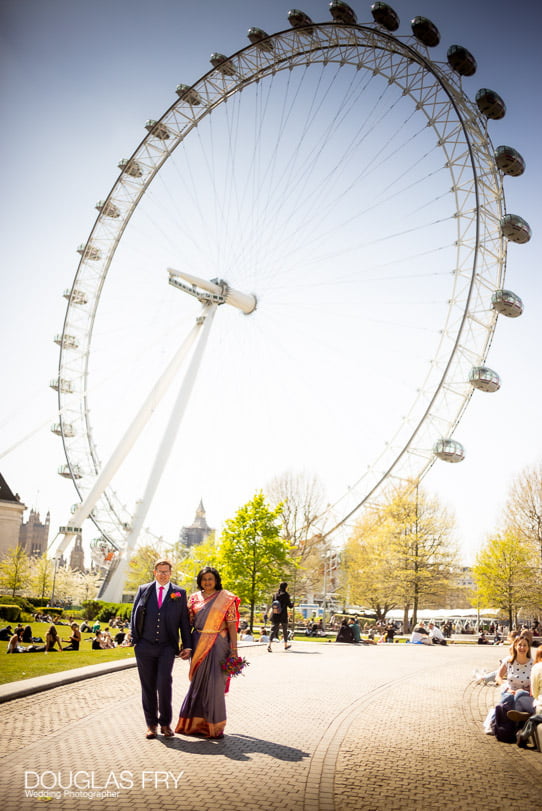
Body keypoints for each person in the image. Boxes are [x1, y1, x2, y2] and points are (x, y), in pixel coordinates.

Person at [130, 558, 192, 739]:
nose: (163, 574)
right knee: (147, 686)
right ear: (154, 572)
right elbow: (135, 614)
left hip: (167, 646)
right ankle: (151, 725)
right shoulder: (144, 590)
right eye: (160, 571)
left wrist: (187, 645)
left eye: (166, 571)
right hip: (144, 646)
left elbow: (184, 622)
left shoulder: (179, 593)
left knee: (164, 684)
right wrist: (136, 641)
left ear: (170, 574)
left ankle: (165, 723)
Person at [176, 566, 240, 739]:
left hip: (219, 644)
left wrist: (234, 650)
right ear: (199, 581)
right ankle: (193, 725)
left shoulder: (226, 598)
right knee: (198, 683)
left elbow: (233, 625)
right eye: (204, 579)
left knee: (215, 685)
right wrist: (185, 645)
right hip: (199, 643)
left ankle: (214, 727)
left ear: (216, 580)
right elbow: (187, 623)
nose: (207, 582)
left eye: (210, 578)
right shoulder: (194, 598)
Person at [267, 581, 293, 652]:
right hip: (283, 615)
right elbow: (289, 605)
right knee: (284, 629)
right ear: (285, 587)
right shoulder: (286, 595)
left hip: (275, 614)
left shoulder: (275, 594)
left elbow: (273, 603)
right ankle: (285, 645)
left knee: (273, 630)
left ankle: (269, 645)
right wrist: (292, 604)